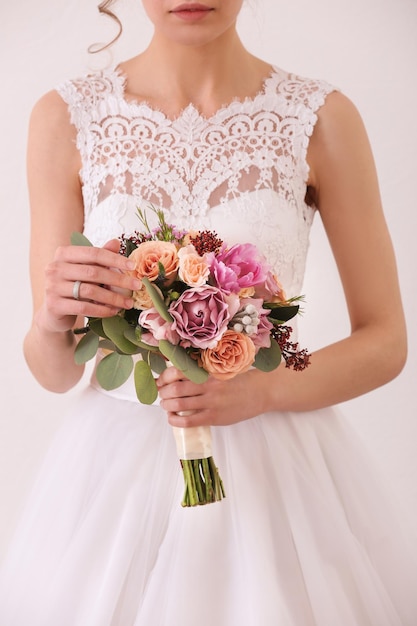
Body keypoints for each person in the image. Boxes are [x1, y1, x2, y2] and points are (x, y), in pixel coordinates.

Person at [0, 1, 416, 624]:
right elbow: (55, 372)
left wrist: (264, 391)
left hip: (278, 471)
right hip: (111, 475)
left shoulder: (320, 117)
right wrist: (48, 321)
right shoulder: (66, 117)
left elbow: (386, 341)